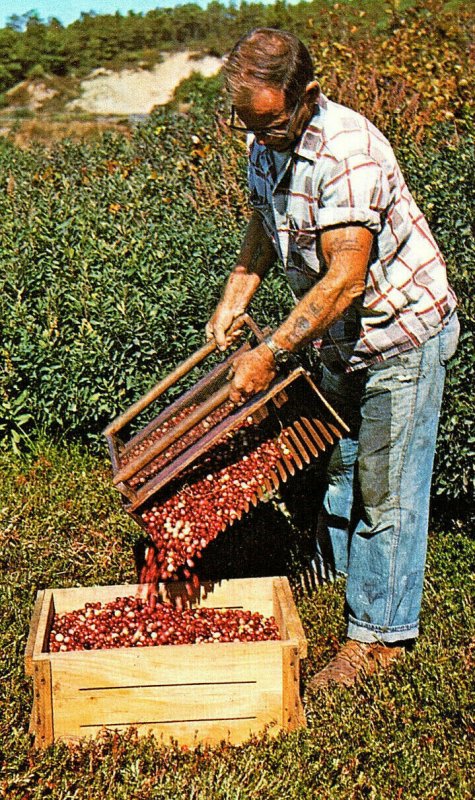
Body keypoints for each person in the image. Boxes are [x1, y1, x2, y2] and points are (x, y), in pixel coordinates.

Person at [205, 28, 459, 690]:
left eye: (268, 122)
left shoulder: (347, 154)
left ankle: (379, 639)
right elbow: (264, 222)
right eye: (246, 124)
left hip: (396, 332)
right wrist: (236, 295)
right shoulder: (267, 142)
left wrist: (270, 350)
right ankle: (336, 576)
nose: (258, 137)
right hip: (337, 337)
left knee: (388, 487)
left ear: (307, 97)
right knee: (344, 463)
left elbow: (345, 278)